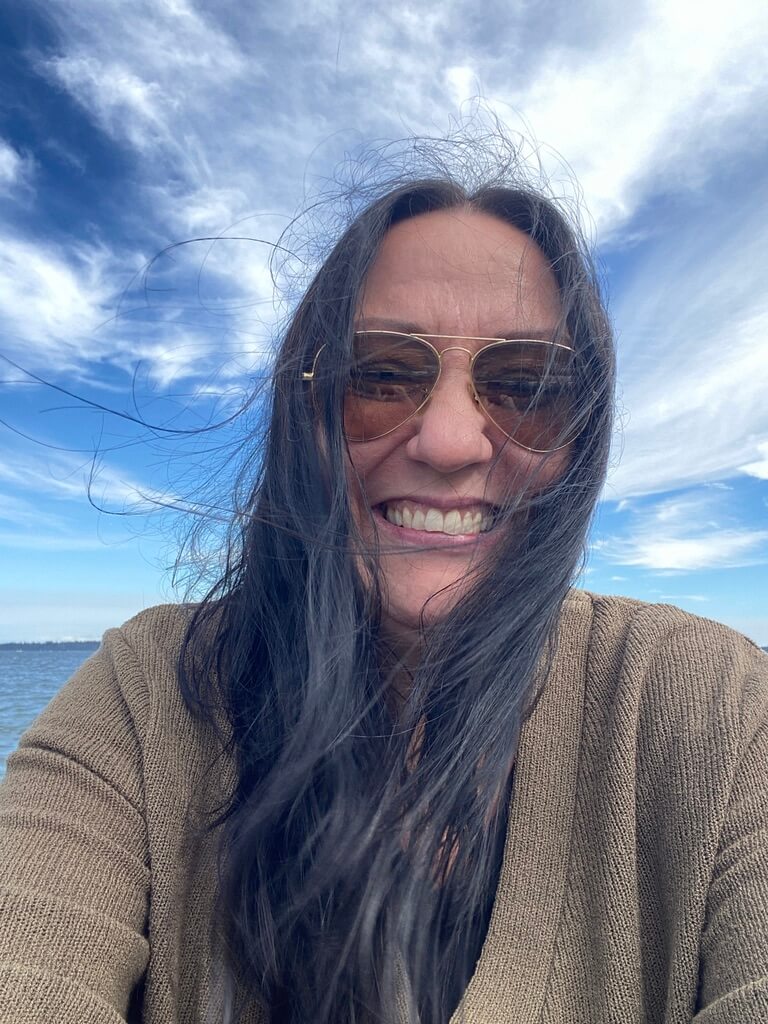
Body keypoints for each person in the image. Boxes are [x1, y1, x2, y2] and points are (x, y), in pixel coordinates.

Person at [1, 163, 766, 1024]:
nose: (448, 441)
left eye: (526, 388)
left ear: (578, 441)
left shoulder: (712, 705)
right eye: (381, 376)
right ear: (307, 415)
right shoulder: (144, 696)